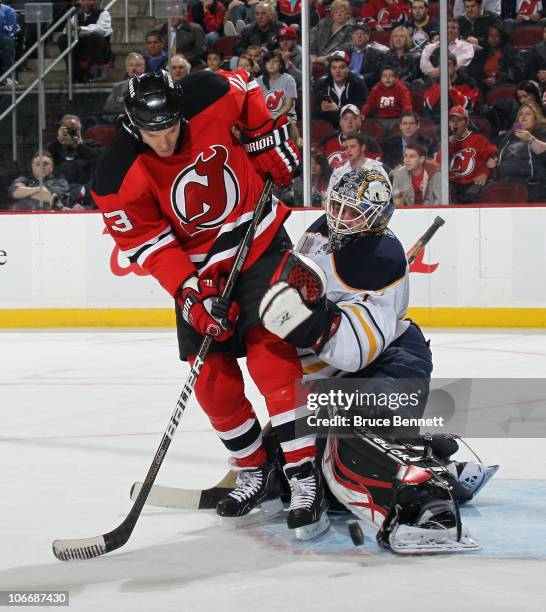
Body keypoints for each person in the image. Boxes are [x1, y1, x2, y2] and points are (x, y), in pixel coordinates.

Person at [91, 70, 329, 540]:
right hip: (202, 274)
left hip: (258, 241)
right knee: (212, 383)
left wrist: (267, 141)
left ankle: (304, 477)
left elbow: (250, 96)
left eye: (170, 128)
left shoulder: (208, 92)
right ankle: (254, 470)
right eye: (151, 131)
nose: (162, 140)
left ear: (180, 111)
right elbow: (151, 244)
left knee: (271, 358)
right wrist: (191, 295)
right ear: (132, 123)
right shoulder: (115, 172)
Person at [258, 167, 494, 553]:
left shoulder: (378, 258)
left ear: (377, 217)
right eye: (336, 205)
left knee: (348, 445)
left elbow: (352, 354)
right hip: (342, 375)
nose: (340, 217)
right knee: (292, 469)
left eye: (352, 212)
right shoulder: (320, 230)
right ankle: (429, 454)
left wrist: (301, 323)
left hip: (394, 362)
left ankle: (425, 506)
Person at [495, 101, 546, 201]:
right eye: (520, 114)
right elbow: (500, 154)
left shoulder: (542, 131)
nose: (523, 117)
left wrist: (531, 139)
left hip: (533, 185)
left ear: (536, 117)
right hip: (506, 182)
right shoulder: (511, 134)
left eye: (528, 114)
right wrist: (494, 161)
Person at [47, 114, 101, 205]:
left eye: (75, 129)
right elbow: (41, 160)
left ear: (80, 129)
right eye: (67, 129)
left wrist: (78, 145)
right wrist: (59, 140)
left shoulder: (91, 145)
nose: (71, 132)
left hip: (85, 191)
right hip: (60, 189)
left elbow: (99, 159)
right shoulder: (54, 147)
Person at [448, 105, 497, 203]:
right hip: (451, 186)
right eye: (452, 120)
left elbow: (494, 156)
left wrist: (485, 173)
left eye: (459, 120)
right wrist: (446, 147)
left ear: (467, 122)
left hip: (472, 185)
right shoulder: (446, 143)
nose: (455, 123)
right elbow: (437, 166)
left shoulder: (478, 140)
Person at [57, 0, 112, 83]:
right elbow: (67, 30)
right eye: (83, 0)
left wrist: (80, 28)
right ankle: (74, 73)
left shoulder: (104, 14)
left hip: (99, 47)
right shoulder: (77, 15)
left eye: (89, 0)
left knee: (95, 36)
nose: (86, 3)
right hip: (82, 46)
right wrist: (69, 28)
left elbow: (101, 29)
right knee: (63, 39)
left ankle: (94, 73)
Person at [466, 23, 526, 96]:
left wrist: (500, 78)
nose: (493, 38)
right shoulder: (480, 53)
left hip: (505, 85)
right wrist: (484, 80)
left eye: (497, 35)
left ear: (502, 37)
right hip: (483, 87)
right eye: (491, 35)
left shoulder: (510, 51)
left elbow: (519, 70)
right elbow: (471, 71)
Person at [326, 131, 391, 197]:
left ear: (363, 148)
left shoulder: (377, 169)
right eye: (346, 147)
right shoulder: (338, 173)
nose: (348, 150)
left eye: (352, 146)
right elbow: (328, 198)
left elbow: (387, 196)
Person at [313, 50, 368, 128]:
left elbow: (362, 106)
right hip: (329, 124)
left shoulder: (357, 83)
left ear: (348, 69)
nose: (337, 71)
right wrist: (321, 109)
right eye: (334, 68)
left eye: (341, 67)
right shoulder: (322, 84)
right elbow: (314, 110)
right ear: (330, 70)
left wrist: (339, 109)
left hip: (351, 125)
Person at [320, 103, 383, 168]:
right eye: (345, 118)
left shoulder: (370, 143)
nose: (349, 121)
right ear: (340, 122)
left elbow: (376, 169)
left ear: (360, 121)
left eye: (354, 118)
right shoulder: (327, 140)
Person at [360, 64, 413, 131]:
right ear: (381, 78)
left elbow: (406, 104)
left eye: (390, 76)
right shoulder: (376, 89)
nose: (387, 78)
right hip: (380, 120)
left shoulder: (401, 89)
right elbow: (369, 103)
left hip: (396, 119)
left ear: (396, 78)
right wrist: (363, 113)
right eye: (384, 76)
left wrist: (406, 117)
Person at [256, 49, 298, 120]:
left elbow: (288, 106)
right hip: (266, 119)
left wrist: (273, 117)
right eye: (268, 61)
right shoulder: (258, 81)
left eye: (275, 61)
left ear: (281, 65)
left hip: (285, 118)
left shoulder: (288, 79)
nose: (271, 64)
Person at [348, 20, 388, 89]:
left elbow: (376, 73)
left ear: (368, 37)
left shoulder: (376, 54)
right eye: (356, 33)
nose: (359, 36)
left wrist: (361, 77)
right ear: (352, 36)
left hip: (364, 86)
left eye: (362, 34)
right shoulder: (345, 52)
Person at [0, 2, 19, 86]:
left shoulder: (9, 11)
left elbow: (9, 32)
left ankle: (9, 77)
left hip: (4, 37)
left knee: (8, 43)